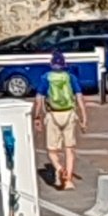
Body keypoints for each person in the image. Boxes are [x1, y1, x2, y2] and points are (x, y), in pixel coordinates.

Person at [40, 56, 80, 194]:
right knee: (69, 149)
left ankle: (58, 168)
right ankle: (68, 180)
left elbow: (39, 97)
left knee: (52, 150)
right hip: (69, 114)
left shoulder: (46, 78)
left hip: (53, 114)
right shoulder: (70, 77)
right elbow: (79, 96)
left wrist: (36, 117)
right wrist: (84, 117)